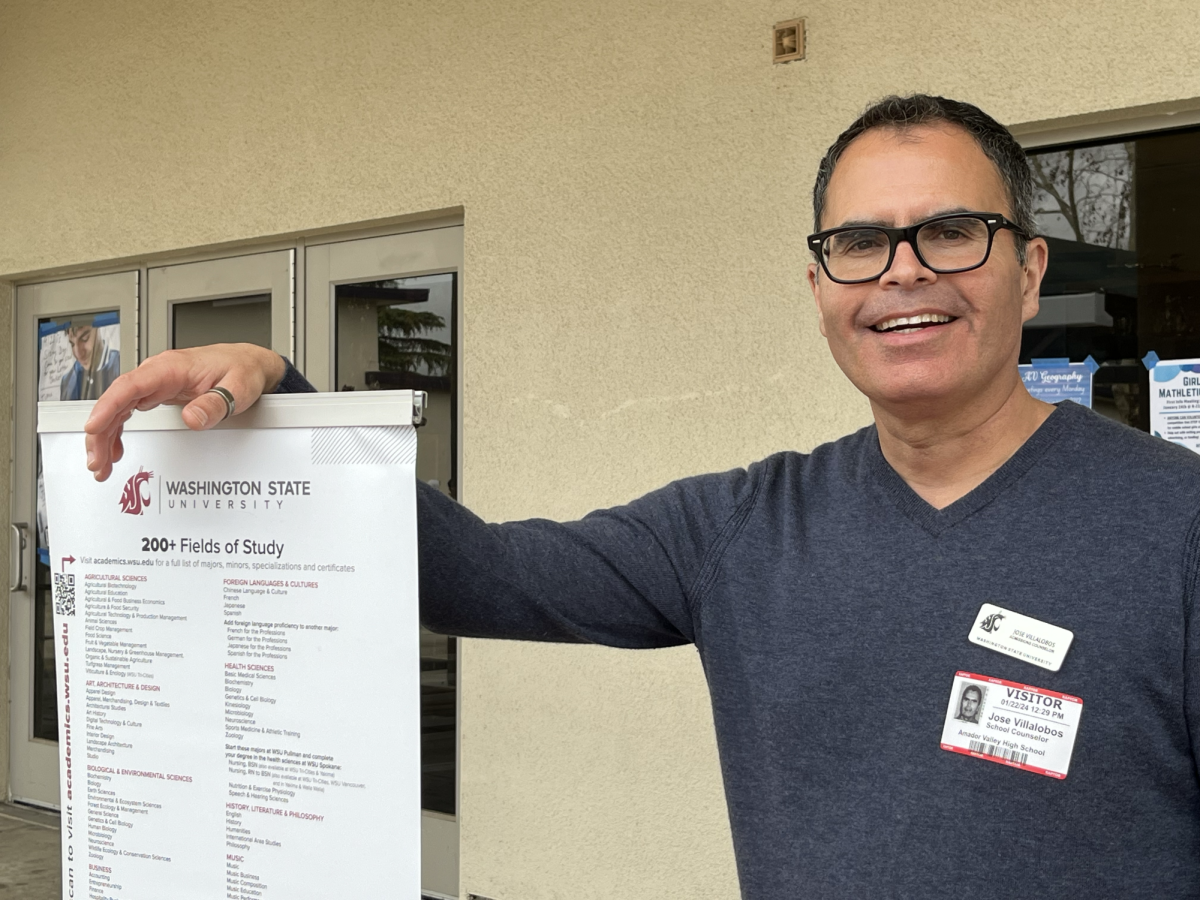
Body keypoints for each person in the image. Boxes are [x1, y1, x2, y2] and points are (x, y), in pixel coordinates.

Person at [81, 95, 1200, 897]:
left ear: (1029, 266)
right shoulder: (742, 531)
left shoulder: (1175, 525)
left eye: (951, 232)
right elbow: (483, 573)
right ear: (819, 287)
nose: (902, 271)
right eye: (861, 242)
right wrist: (288, 407)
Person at [60, 321, 120, 401]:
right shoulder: (67, 382)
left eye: (85, 339)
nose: (78, 354)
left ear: (98, 329)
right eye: (72, 344)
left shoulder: (122, 366)